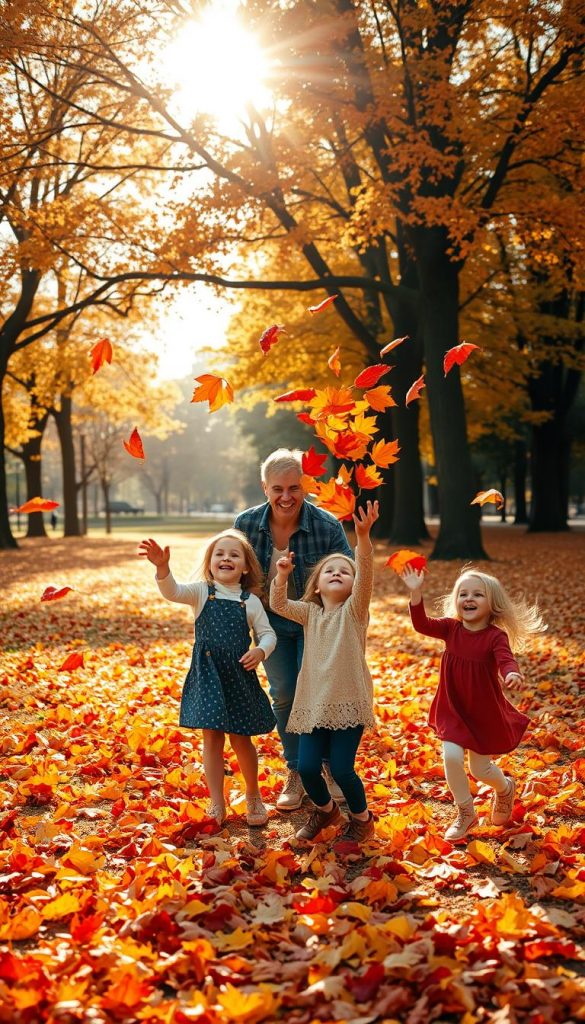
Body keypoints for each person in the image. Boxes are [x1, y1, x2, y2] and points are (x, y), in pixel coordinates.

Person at [235, 448, 353, 811]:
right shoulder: (246, 524)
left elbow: (349, 574)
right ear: (264, 488)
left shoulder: (326, 526)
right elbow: (232, 574)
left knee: (318, 693)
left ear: (305, 487)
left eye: (294, 488)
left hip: (315, 624)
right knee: (284, 693)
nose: (286, 497)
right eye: (277, 489)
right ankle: (297, 771)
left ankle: (328, 768)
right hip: (270, 625)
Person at [138, 529, 276, 827]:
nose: (226, 558)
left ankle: (253, 795)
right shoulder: (202, 592)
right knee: (211, 738)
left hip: (238, 676)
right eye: (220, 554)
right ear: (210, 561)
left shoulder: (249, 601)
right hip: (209, 676)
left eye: (234, 555)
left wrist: (261, 651)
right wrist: (162, 568)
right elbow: (173, 591)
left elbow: (267, 634)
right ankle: (217, 802)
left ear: (246, 566)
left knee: (241, 739)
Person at [399, 565, 546, 841]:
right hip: (452, 707)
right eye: (463, 594)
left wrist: (511, 672)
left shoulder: (495, 636)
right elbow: (422, 624)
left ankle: (504, 788)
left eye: (477, 594)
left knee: (481, 770)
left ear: (492, 604)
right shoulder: (451, 629)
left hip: (482, 713)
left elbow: (505, 659)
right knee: (451, 757)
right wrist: (415, 591)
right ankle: (466, 812)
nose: (469, 599)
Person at [269, 500, 379, 844]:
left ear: (353, 584)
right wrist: (282, 575)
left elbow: (365, 573)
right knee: (305, 767)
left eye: (344, 572)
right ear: (317, 586)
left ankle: (362, 820)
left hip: (348, 702)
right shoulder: (311, 614)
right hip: (314, 704)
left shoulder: (355, 612)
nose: (337, 573)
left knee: (343, 769)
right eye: (330, 570)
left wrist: (362, 538)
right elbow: (279, 605)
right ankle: (326, 810)